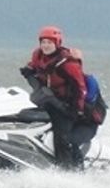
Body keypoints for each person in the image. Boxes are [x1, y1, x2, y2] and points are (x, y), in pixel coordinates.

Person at [20, 25, 89, 170]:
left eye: (49, 42)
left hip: (67, 105)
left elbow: (80, 87)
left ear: (57, 43)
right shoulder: (38, 56)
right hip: (48, 100)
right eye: (43, 42)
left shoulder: (68, 63)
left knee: (61, 138)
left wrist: (78, 110)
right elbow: (34, 68)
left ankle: (66, 170)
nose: (46, 45)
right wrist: (28, 71)